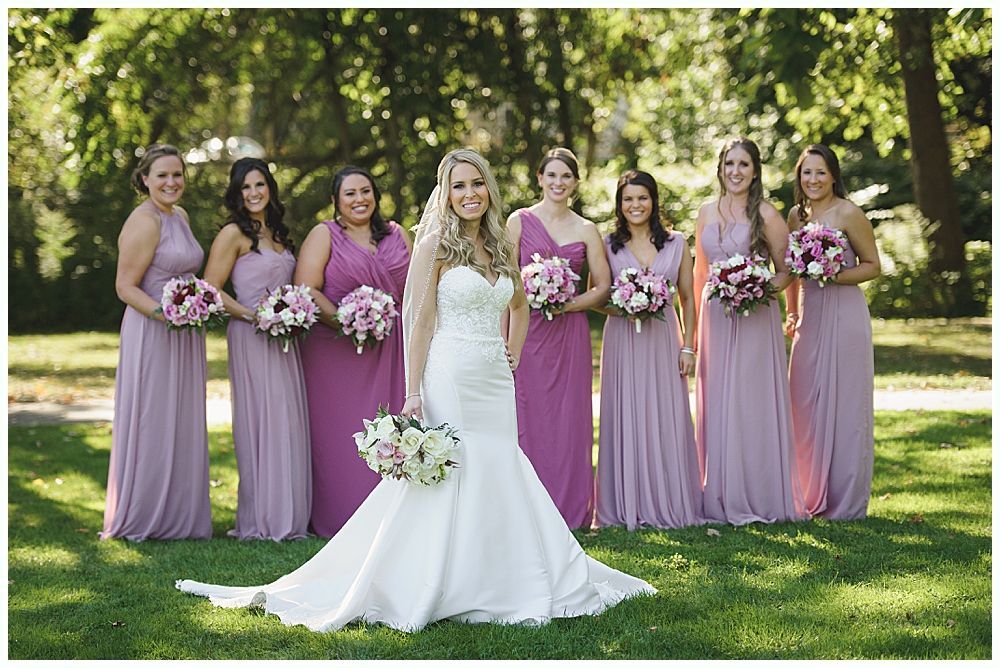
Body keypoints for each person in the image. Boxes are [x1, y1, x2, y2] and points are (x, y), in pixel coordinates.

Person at [177, 148, 655, 632]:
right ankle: (433, 580)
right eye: (458, 186)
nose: (469, 194)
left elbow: (519, 303)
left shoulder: (500, 242)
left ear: (489, 188)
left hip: (493, 378)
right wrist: (412, 393)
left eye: (476, 183)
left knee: (499, 465)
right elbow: (420, 321)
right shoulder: (434, 246)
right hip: (450, 373)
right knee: (451, 474)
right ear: (445, 194)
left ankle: (498, 574)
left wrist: (510, 353)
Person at [693, 137, 807, 525]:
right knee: (720, 402)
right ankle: (721, 491)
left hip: (755, 316)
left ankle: (760, 493)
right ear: (720, 169)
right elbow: (699, 274)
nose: (735, 171)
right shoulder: (706, 211)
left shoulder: (767, 214)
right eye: (729, 164)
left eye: (743, 164)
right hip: (715, 319)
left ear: (755, 171)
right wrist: (695, 334)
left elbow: (788, 270)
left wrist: (756, 287)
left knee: (751, 402)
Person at [102, 143, 211, 541]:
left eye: (177, 174)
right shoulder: (144, 221)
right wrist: (167, 315)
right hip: (152, 331)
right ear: (145, 179)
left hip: (184, 332)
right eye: (162, 175)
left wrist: (194, 306)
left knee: (180, 417)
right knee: (153, 416)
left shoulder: (179, 216)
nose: (171, 182)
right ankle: (144, 513)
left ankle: (179, 515)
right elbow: (125, 287)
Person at [294, 166, 411, 537]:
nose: (359, 199)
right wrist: (347, 322)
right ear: (335, 200)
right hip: (337, 353)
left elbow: (417, 291)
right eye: (350, 193)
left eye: (366, 191)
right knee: (342, 433)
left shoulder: (397, 233)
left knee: (394, 429)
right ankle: (340, 515)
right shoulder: (324, 234)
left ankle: (394, 516)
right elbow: (306, 289)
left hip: (394, 349)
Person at [202, 157, 312, 541]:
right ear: (237, 193)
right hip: (250, 335)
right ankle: (262, 517)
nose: (253, 193)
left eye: (259, 185)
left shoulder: (278, 232)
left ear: (270, 188)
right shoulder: (233, 234)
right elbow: (210, 289)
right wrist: (253, 316)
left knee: (286, 419)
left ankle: (290, 513)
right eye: (245, 187)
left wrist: (291, 315)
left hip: (285, 337)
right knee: (260, 420)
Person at [505, 147, 611, 528]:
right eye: (551, 175)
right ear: (540, 178)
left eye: (566, 176)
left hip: (569, 335)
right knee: (526, 414)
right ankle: (524, 511)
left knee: (570, 419)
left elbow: (603, 286)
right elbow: (504, 284)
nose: (558, 182)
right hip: (527, 333)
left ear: (576, 182)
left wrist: (567, 303)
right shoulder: (518, 221)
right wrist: (504, 340)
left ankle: (572, 509)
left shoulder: (586, 229)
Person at [595, 170, 704, 530]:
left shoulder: (676, 243)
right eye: (628, 199)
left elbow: (687, 297)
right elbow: (598, 297)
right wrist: (626, 305)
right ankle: (626, 502)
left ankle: (669, 499)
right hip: (622, 340)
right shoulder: (608, 244)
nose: (635, 205)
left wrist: (689, 347)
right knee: (626, 413)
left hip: (663, 339)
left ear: (654, 201)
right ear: (619, 204)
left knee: (665, 415)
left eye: (642, 198)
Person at [784, 144, 881, 519]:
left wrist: (833, 274)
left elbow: (872, 266)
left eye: (820, 172)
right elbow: (792, 269)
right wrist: (792, 311)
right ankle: (807, 490)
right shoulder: (796, 216)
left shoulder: (849, 213)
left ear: (833, 176)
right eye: (806, 172)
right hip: (810, 315)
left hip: (845, 315)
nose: (813, 179)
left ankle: (845, 500)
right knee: (803, 401)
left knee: (846, 404)